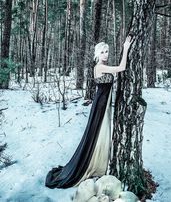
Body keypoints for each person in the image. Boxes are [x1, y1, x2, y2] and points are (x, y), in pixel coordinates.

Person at [45, 35, 133, 189]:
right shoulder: (99, 67)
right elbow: (121, 68)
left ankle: (100, 162)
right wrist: (125, 48)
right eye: (103, 52)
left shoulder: (102, 66)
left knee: (100, 134)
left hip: (104, 104)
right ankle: (92, 164)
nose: (106, 54)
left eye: (107, 51)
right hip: (100, 105)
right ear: (97, 54)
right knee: (95, 134)